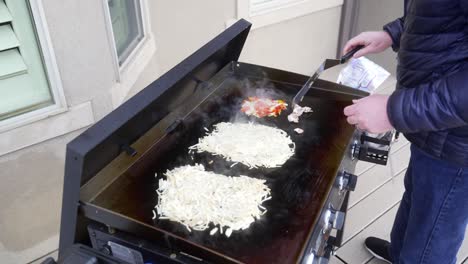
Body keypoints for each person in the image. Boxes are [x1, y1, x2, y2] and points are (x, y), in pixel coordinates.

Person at [342, 1, 468, 263]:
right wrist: (393, 33)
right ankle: (403, 255)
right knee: (417, 199)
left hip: (458, 142)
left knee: (433, 232)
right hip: (433, 125)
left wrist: (393, 111)